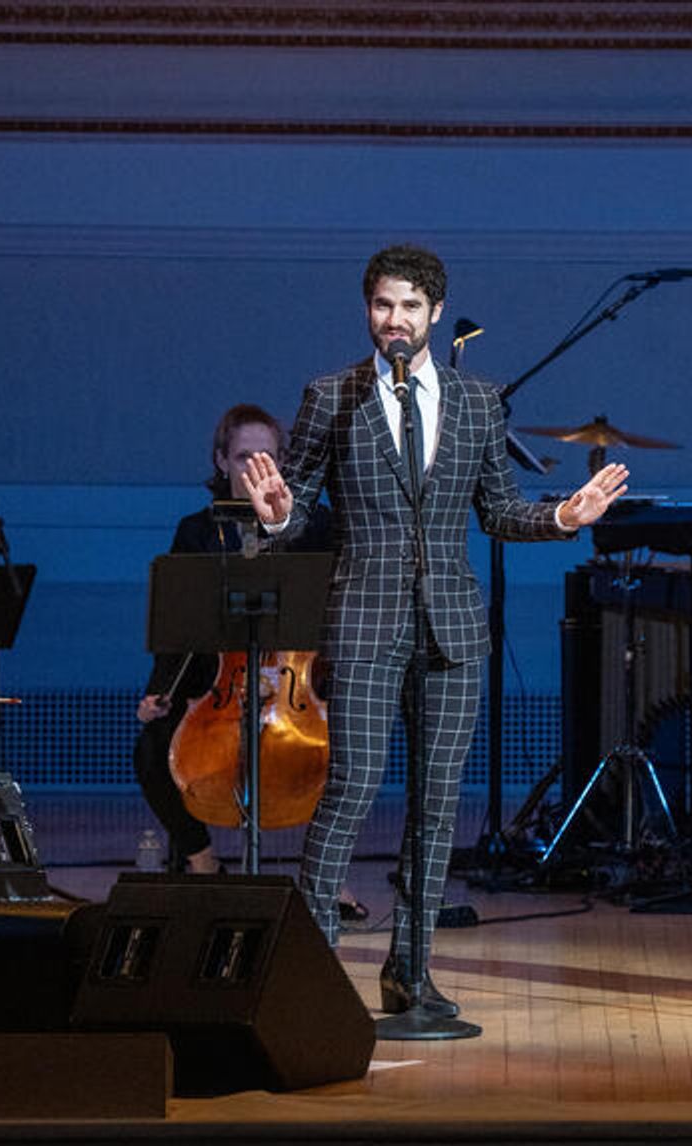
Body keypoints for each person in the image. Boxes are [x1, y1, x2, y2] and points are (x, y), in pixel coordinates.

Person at [240, 243, 628, 1016]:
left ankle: (410, 974)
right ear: (368, 312)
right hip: (363, 621)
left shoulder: (477, 401)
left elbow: (498, 508)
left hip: (450, 627)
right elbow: (300, 502)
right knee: (350, 789)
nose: (396, 320)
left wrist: (561, 516)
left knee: (436, 802)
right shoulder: (332, 395)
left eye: (410, 307)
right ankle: (307, 974)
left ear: (435, 313)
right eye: (384, 306)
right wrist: (279, 514)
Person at [133, 405, 362, 919]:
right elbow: (178, 632)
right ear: (220, 461)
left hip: (298, 686)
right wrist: (159, 691)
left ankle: (326, 874)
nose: (256, 470)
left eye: (268, 458)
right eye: (242, 458)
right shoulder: (196, 531)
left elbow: (340, 617)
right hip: (215, 688)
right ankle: (202, 860)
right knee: (151, 750)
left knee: (353, 746)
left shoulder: (316, 524)